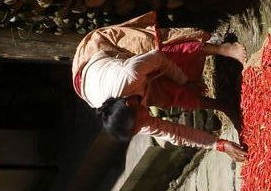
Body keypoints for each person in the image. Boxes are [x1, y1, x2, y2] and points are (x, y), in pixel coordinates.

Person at [71, 11, 248, 162]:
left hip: (97, 49)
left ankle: (224, 49)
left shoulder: (128, 75)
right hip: (90, 82)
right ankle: (223, 106)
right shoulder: (135, 121)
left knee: (162, 47)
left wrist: (185, 82)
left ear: (129, 104)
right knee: (168, 96)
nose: (146, 117)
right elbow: (175, 133)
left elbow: (159, 58)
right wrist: (219, 145)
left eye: (141, 118)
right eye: (139, 127)